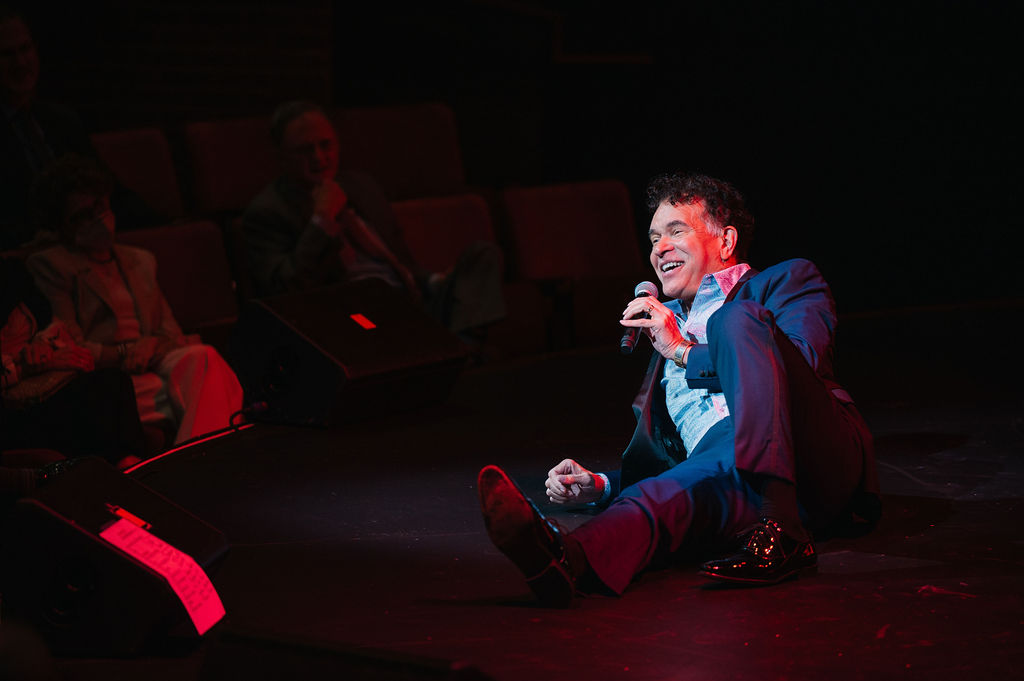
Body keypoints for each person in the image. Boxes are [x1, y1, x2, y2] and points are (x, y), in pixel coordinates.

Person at [478, 173, 878, 606]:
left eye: (675, 231)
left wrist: (685, 351)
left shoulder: (783, 282)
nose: (659, 248)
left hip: (812, 459)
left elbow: (803, 362)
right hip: (730, 471)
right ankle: (562, 560)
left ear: (725, 242)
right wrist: (602, 485)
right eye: (652, 239)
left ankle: (783, 529)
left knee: (735, 320)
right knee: (656, 496)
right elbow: (677, 459)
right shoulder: (665, 332)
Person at [26, 155, 243, 445]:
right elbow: (70, 342)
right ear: (62, 226)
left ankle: (196, 461)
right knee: (215, 391)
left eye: (99, 207)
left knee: (203, 358)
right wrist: (127, 352)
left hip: (156, 361)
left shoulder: (140, 260)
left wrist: (151, 344)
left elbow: (170, 332)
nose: (96, 220)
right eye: (81, 216)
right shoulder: (54, 265)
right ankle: (206, 459)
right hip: (109, 376)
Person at [241, 100, 505, 338]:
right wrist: (321, 220)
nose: (319, 158)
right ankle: (460, 351)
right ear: (281, 157)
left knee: (482, 256)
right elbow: (286, 291)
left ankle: (456, 346)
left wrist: (432, 281)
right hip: (356, 318)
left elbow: (399, 261)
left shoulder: (361, 186)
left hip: (409, 302)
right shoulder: (267, 212)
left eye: (325, 145)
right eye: (304, 150)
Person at [0, 6, 161, 251]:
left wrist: (164, 224)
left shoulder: (61, 121)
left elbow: (107, 188)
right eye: (7, 54)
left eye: (25, 49)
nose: (21, 62)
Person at [2, 255, 148, 468]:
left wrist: (43, 346)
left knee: (112, 382)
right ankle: (120, 469)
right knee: (97, 399)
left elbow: (54, 326)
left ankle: (130, 466)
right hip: (10, 409)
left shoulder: (12, 277)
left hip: (41, 388)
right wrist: (22, 367)